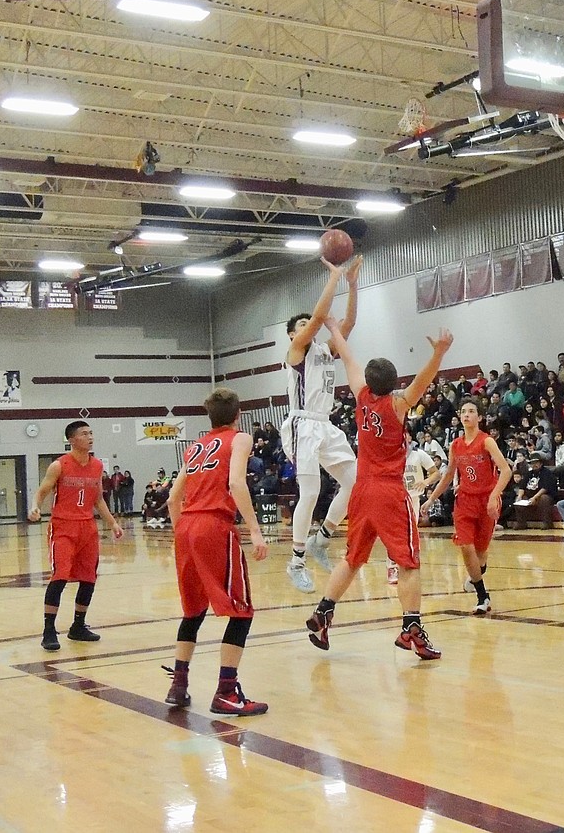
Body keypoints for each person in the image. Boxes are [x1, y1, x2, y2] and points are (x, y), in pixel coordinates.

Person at [305, 318, 453, 659]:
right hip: (388, 491)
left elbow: (347, 356)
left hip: (361, 489)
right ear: (394, 383)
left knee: (353, 558)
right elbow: (423, 381)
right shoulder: (397, 404)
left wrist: (334, 328)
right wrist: (439, 354)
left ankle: (324, 611)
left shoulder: (361, 396)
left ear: (371, 382)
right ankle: (411, 627)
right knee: (409, 563)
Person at [163, 388, 270, 716]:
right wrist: (254, 529)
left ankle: (178, 686)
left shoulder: (194, 447)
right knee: (241, 610)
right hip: (213, 525)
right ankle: (226, 691)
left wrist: (184, 533)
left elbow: (172, 499)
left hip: (186, 526)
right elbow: (237, 483)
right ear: (238, 414)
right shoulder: (239, 439)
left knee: (193, 610)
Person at [281, 255, 363, 593]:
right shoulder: (297, 352)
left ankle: (322, 538)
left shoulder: (325, 351)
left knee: (356, 483)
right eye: (299, 325)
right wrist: (334, 276)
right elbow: (318, 317)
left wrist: (353, 284)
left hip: (325, 425)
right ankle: (296, 560)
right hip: (302, 426)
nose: (306, 327)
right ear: (292, 335)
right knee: (311, 491)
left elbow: (350, 323)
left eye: (306, 325)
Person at [28, 421, 123, 651]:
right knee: (60, 577)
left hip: (87, 528)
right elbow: (42, 491)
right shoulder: (59, 465)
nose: (90, 437)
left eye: (91, 432)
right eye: (84, 434)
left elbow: (98, 499)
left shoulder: (97, 465)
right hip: (63, 527)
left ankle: (78, 626)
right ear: (72, 439)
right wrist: (34, 506)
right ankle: (49, 630)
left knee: (89, 578)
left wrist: (112, 523)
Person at [421, 398, 513, 616]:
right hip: (465, 501)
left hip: (487, 501)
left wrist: (494, 497)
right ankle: (483, 596)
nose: (466, 415)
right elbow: (449, 475)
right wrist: (432, 498)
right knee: (465, 546)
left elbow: (506, 471)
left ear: (479, 417)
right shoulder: (455, 445)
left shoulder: (487, 442)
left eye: (471, 411)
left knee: (480, 554)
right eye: (463, 411)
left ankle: (477, 575)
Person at [393, 440, 440, 584]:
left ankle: (410, 562)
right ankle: (392, 567)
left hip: (413, 498)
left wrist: (425, 482)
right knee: (396, 533)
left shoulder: (419, 454)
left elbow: (436, 474)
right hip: (395, 498)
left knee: (411, 533)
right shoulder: (391, 455)